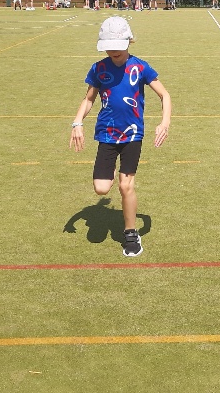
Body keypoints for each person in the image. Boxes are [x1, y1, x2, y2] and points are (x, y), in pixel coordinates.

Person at [69, 15, 171, 257]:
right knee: (101, 189)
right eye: (109, 47)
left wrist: (164, 122)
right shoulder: (99, 68)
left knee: (126, 186)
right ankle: (113, 172)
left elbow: (164, 95)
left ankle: (130, 233)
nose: (113, 51)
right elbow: (89, 99)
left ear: (128, 42)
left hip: (133, 135)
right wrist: (77, 122)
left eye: (118, 46)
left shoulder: (141, 67)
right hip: (106, 134)